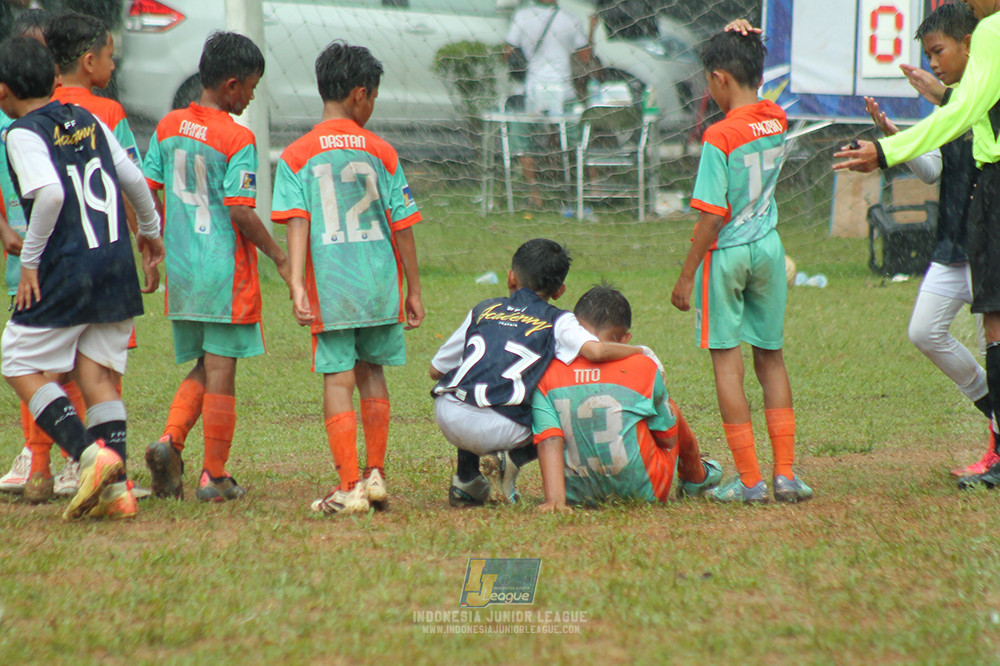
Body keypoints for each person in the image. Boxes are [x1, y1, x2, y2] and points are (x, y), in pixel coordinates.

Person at [834, 0, 1000, 490]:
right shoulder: (958, 101)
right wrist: (893, 137)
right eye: (928, 55)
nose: (932, 63)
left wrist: (888, 147)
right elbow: (933, 167)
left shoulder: (983, 56)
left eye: (937, 51)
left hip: (985, 233)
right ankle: (993, 411)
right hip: (957, 245)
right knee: (926, 331)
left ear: (967, 44)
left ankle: (996, 446)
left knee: (992, 332)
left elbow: (963, 111)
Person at [0, 34, 164, 520]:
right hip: (114, 265)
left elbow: (49, 195)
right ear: (54, 79)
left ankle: (90, 456)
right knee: (96, 375)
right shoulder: (88, 119)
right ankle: (117, 493)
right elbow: (132, 178)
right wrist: (150, 232)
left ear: (2, 90)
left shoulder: (22, 133)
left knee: (17, 360)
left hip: (68, 270)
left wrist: (31, 262)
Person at [272, 41, 422, 516]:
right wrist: (414, 289)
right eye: (373, 97)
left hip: (332, 287)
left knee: (338, 380)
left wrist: (297, 282)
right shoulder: (382, 151)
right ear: (360, 94)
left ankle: (349, 486)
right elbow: (402, 225)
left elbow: (297, 221)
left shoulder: (296, 155)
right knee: (372, 372)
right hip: (379, 284)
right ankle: (376, 475)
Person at [142, 32, 292, 502]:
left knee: (206, 364)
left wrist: (149, 244)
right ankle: (215, 474)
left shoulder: (168, 126)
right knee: (222, 369)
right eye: (250, 88)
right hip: (223, 273)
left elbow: (145, 190)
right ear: (231, 86)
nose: (251, 98)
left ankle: (171, 441)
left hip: (183, 271)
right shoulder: (237, 137)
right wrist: (280, 255)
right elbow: (240, 211)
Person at [670, 28, 811, 503]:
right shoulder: (777, 117)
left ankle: (750, 480)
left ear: (720, 78)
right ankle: (785, 475)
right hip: (768, 248)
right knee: (771, 358)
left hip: (726, 255)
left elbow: (712, 216)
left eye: (709, 82)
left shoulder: (719, 135)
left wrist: (686, 275)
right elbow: (755, 90)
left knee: (727, 366)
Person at [431, 238, 642, 508]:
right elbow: (596, 351)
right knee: (564, 403)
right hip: (502, 428)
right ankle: (513, 459)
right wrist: (642, 351)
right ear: (560, 291)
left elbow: (436, 369)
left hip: (448, 414)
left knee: (476, 380)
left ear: (511, 277)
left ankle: (467, 480)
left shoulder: (484, 309)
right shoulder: (558, 319)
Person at [0, 8, 92, 502]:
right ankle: (39, 461)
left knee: (55, 365)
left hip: (62, 258)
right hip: (37, 262)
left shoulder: (66, 118)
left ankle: (68, 460)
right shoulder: (13, 123)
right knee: (40, 362)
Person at [532, 284, 723, 510]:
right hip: (645, 491)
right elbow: (668, 439)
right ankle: (696, 477)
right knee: (668, 410)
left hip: (571, 494)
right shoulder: (643, 366)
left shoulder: (547, 371)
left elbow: (547, 438)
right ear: (625, 339)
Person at [505, 0, 591, 208]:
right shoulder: (570, 18)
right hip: (563, 90)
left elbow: (508, 51)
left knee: (523, 142)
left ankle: (535, 193)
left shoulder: (522, 16)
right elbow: (585, 55)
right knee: (575, 142)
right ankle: (575, 189)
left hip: (533, 90)